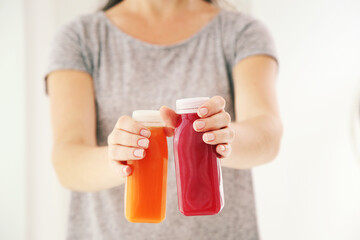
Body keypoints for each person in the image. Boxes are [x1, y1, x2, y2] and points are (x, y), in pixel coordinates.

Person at [46, 0, 282, 239]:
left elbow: (268, 133)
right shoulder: (80, 37)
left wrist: (223, 137)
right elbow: (66, 161)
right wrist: (117, 158)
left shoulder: (241, 31)